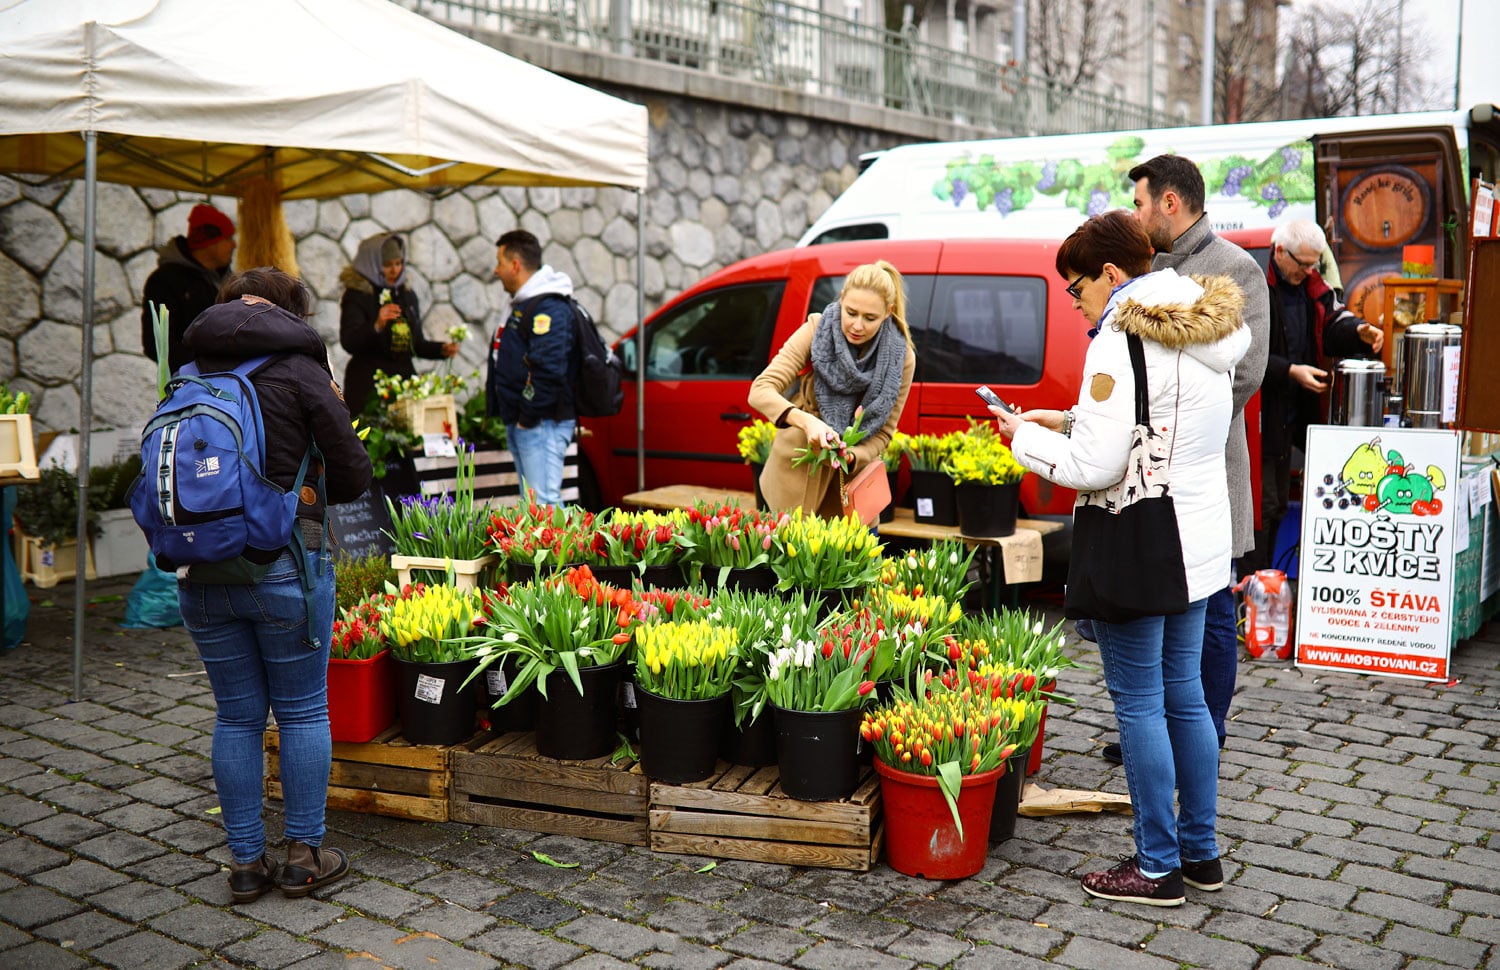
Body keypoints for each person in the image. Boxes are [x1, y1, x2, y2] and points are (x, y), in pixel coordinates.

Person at [993, 211, 1249, 905]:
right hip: (1197, 543)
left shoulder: (1118, 337)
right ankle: (1201, 854)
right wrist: (1068, 418)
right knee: (1188, 700)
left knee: (1138, 704)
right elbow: (1158, 422)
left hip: (1140, 543)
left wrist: (1024, 441)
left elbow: (1097, 464)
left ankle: (1156, 866)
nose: (1074, 303)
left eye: (1075, 287)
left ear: (1111, 274)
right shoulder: (1207, 327)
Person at [177, 267, 372, 903]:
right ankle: (302, 856)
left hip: (200, 571)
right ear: (293, 314)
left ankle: (243, 864)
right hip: (286, 562)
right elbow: (352, 476)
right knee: (302, 710)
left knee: (235, 716)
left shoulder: (188, 371)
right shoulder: (300, 367)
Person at [1107, 153, 1270, 760]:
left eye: (1141, 202)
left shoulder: (1235, 269)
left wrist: (1176, 424)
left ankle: (1207, 732)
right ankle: (1150, 730)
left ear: (1169, 203)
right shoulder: (1144, 267)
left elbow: (1247, 373)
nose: (1136, 213)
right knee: (1157, 601)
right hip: (1148, 468)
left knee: (1211, 607)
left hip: (1208, 465)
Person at [1252, 219, 1384, 569]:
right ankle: (1254, 591)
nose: (1309, 270)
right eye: (1302, 263)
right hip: (1264, 414)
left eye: (1314, 263)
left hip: (1301, 409)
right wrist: (1290, 371)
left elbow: (1334, 324)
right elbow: (1244, 355)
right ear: (1279, 251)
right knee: (1264, 506)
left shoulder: (1312, 287)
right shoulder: (1256, 287)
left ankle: (1273, 583)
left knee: (1279, 505)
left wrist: (1361, 331)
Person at [747, 260, 916, 517]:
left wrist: (852, 455)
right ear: (842, 300)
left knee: (847, 556)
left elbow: (884, 435)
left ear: (887, 312)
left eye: (870, 318)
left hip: (852, 495)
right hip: (793, 484)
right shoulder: (817, 329)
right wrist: (806, 421)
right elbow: (761, 389)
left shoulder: (901, 358)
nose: (857, 325)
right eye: (851, 312)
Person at [486, 229, 579, 507]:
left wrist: (527, 417)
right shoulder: (524, 304)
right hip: (527, 420)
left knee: (545, 505)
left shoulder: (548, 307)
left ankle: (566, 552)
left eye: (500, 263)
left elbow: (549, 370)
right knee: (535, 505)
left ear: (515, 265)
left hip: (541, 422)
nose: (496, 270)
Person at [339, 233, 458, 417]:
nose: (395, 270)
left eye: (398, 263)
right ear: (373, 264)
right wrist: (377, 325)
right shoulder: (358, 295)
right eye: (387, 265)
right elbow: (349, 341)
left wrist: (441, 350)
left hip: (403, 384)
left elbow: (415, 344)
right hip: (368, 388)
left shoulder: (406, 295)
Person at [140, 203, 236, 374]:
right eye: (228, 239)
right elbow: (157, 342)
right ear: (210, 241)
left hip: (228, 381)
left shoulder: (229, 281)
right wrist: (202, 367)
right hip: (189, 385)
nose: (234, 245)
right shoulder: (165, 280)